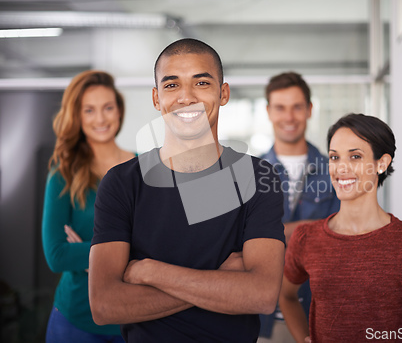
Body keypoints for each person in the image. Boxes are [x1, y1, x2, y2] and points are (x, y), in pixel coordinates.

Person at [88, 38, 286, 343]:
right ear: (156, 98)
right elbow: (104, 305)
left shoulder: (257, 178)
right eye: (171, 85)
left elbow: (260, 296)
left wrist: (152, 273)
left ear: (223, 93)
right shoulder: (122, 183)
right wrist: (222, 282)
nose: (186, 97)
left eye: (201, 82)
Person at [279, 113, 402, 343]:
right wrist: (303, 338)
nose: (341, 168)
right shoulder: (307, 238)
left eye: (355, 156)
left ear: (381, 163)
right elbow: (287, 296)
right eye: (334, 158)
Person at [42, 70, 135, 342]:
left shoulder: (144, 170)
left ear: (119, 111)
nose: (101, 118)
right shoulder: (63, 174)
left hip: (132, 318)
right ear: (78, 116)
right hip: (75, 321)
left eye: (108, 107)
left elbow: (158, 245)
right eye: (89, 110)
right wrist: (127, 253)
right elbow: (57, 255)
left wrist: (89, 253)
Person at [259, 72, 340, 340]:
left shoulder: (335, 170)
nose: (289, 117)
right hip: (261, 319)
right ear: (268, 111)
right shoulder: (250, 172)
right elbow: (238, 240)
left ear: (309, 109)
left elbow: (345, 237)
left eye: (297, 107)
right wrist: (313, 228)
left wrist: (276, 231)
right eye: (280, 108)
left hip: (321, 316)